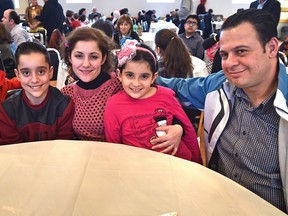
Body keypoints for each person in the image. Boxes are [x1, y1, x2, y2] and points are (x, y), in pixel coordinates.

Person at [156, 9, 288, 213]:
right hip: (215, 203)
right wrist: (133, 74)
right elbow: (176, 87)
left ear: (271, 47)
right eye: (224, 54)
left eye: (241, 51)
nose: (230, 63)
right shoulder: (220, 84)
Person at [104, 40, 202, 163]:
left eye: (144, 76)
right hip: (138, 170)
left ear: (153, 77)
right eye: (130, 75)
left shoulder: (166, 96)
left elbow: (188, 131)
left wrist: (198, 163)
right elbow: (114, 147)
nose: (136, 83)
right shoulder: (113, 105)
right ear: (119, 74)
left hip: (177, 165)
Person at [0, 42, 75, 144]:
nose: (34, 80)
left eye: (41, 72)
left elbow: (63, 147)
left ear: (50, 72)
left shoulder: (64, 105)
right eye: (26, 73)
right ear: (17, 75)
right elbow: (12, 150)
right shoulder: (7, 110)